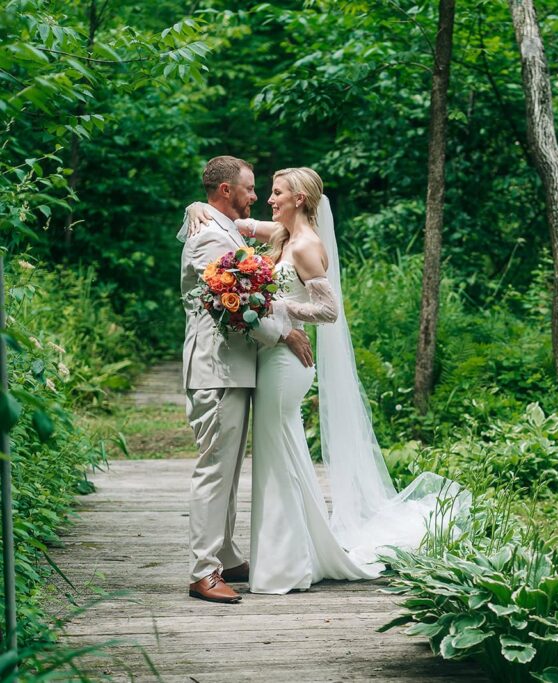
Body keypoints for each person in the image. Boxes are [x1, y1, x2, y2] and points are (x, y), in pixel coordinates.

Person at [184, 166, 465, 594]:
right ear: (227, 190)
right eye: (257, 189)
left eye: (274, 192)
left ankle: (269, 558)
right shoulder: (264, 234)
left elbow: (327, 309)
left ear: (299, 198)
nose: (264, 198)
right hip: (235, 364)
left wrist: (284, 314)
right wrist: (196, 205)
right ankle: (227, 562)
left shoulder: (303, 243)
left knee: (272, 455)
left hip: (280, 363)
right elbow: (228, 281)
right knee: (256, 461)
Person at [179, 156, 313, 604]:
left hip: (233, 367)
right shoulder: (209, 239)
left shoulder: (223, 226)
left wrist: (192, 205)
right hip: (215, 369)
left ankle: (228, 555)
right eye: (249, 188)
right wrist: (286, 331)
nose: (255, 196)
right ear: (224, 192)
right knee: (215, 470)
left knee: (230, 468)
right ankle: (203, 570)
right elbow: (239, 305)